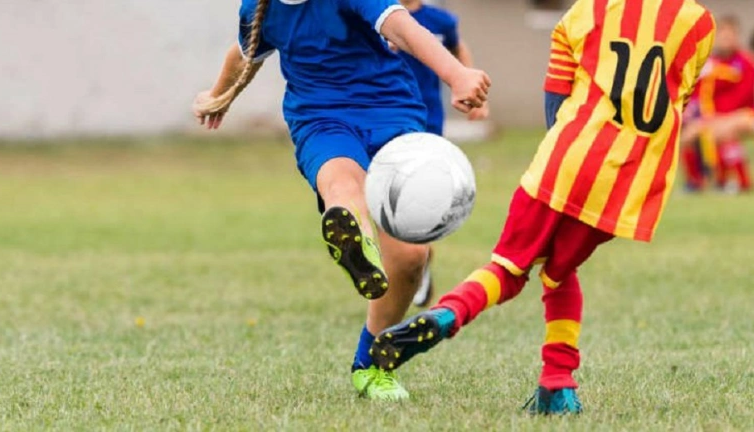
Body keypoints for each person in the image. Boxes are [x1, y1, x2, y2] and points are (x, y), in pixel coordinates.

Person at [371, 0, 714, 415]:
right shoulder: (699, 22)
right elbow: (680, 98)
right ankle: (558, 384)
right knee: (559, 271)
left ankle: (447, 314)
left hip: (566, 164)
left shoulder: (587, 11)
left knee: (509, 269)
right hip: (628, 182)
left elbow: (556, 98)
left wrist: (562, 154)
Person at [192, 0, 490, 401]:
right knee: (341, 184)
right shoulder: (260, 7)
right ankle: (355, 240)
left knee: (411, 258)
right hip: (321, 121)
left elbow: (403, 28)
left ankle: (371, 360)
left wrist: (457, 74)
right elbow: (245, 51)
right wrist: (219, 95)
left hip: (391, 114)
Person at [396, 0, 490, 308]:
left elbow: (458, 49)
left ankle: (419, 255)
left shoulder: (439, 20)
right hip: (386, 115)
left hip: (427, 119)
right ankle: (406, 255)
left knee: (416, 193)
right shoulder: (380, 14)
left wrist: (474, 93)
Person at [680, 16, 754, 193]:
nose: (726, 39)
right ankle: (698, 182)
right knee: (689, 135)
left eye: (730, 35)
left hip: (743, 115)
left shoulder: (745, 63)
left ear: (736, 37)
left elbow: (744, 96)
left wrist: (721, 118)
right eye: (722, 35)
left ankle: (739, 180)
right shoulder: (708, 64)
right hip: (712, 119)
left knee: (728, 129)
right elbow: (695, 94)